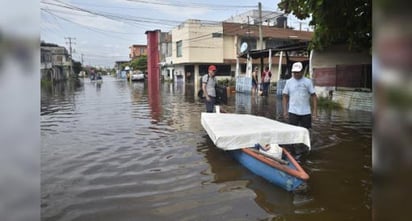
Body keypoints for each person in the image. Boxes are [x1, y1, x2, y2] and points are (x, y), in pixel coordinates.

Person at [282, 61, 318, 129]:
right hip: (293, 112)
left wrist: (315, 111)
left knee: (306, 131)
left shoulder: (308, 82)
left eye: (298, 72)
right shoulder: (289, 82)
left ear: (302, 71)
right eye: (294, 72)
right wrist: (285, 111)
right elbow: (285, 96)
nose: (296, 74)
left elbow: (314, 96)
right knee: (292, 131)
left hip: (306, 112)